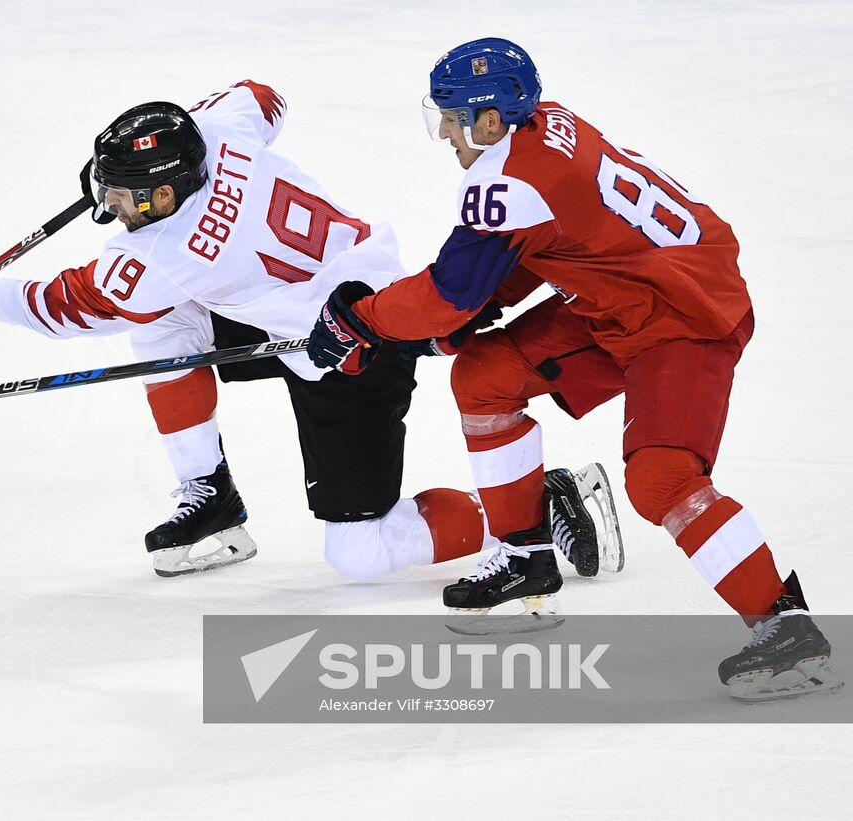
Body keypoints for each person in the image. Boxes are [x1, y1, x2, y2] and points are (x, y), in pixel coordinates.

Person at [0, 80, 608, 584]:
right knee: (161, 318)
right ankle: (209, 497)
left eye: (118, 195)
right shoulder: (219, 132)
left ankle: (530, 505)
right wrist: (194, 124)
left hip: (354, 346)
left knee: (360, 555)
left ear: (165, 193)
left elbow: (69, 306)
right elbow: (263, 94)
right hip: (324, 288)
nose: (108, 205)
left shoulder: (163, 255)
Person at [307, 39, 839, 699]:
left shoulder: (509, 183)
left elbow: (448, 290)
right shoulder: (546, 126)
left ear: (492, 120)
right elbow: (545, 242)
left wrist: (363, 319)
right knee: (483, 374)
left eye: (451, 115)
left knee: (661, 479)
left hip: (684, 315)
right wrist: (475, 314)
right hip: (625, 295)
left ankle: (787, 631)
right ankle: (526, 554)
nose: (443, 130)